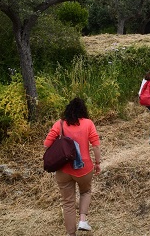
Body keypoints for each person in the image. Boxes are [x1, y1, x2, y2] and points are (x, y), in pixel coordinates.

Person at [44, 98, 101, 236]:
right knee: (85, 192)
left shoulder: (60, 124)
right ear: (83, 110)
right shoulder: (88, 123)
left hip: (63, 169)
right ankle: (82, 220)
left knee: (68, 203)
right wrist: (98, 163)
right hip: (84, 168)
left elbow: (46, 144)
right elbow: (96, 145)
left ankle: (71, 234)